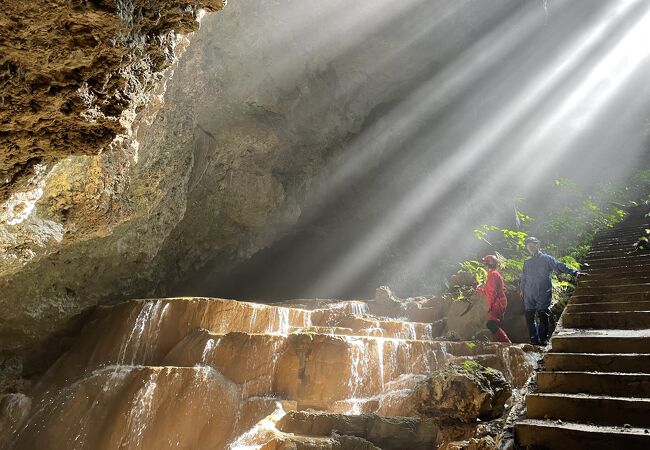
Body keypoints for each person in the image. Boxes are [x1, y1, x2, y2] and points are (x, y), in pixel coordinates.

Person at [520, 236, 586, 345]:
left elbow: (559, 266)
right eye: (528, 246)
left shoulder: (546, 259)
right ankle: (534, 340)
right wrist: (521, 290)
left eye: (532, 245)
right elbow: (524, 277)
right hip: (529, 294)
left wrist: (575, 273)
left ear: (538, 245)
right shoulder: (527, 262)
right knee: (529, 317)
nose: (530, 248)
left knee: (542, 315)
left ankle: (543, 339)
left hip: (543, 292)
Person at [476, 255, 512, 343]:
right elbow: (489, 290)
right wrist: (479, 290)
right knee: (495, 324)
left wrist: (490, 305)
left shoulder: (493, 274)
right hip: (498, 301)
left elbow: (492, 292)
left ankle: (506, 342)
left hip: (497, 302)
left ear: (489, 264)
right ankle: (499, 343)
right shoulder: (494, 274)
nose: (484, 265)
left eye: (485, 263)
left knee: (491, 324)